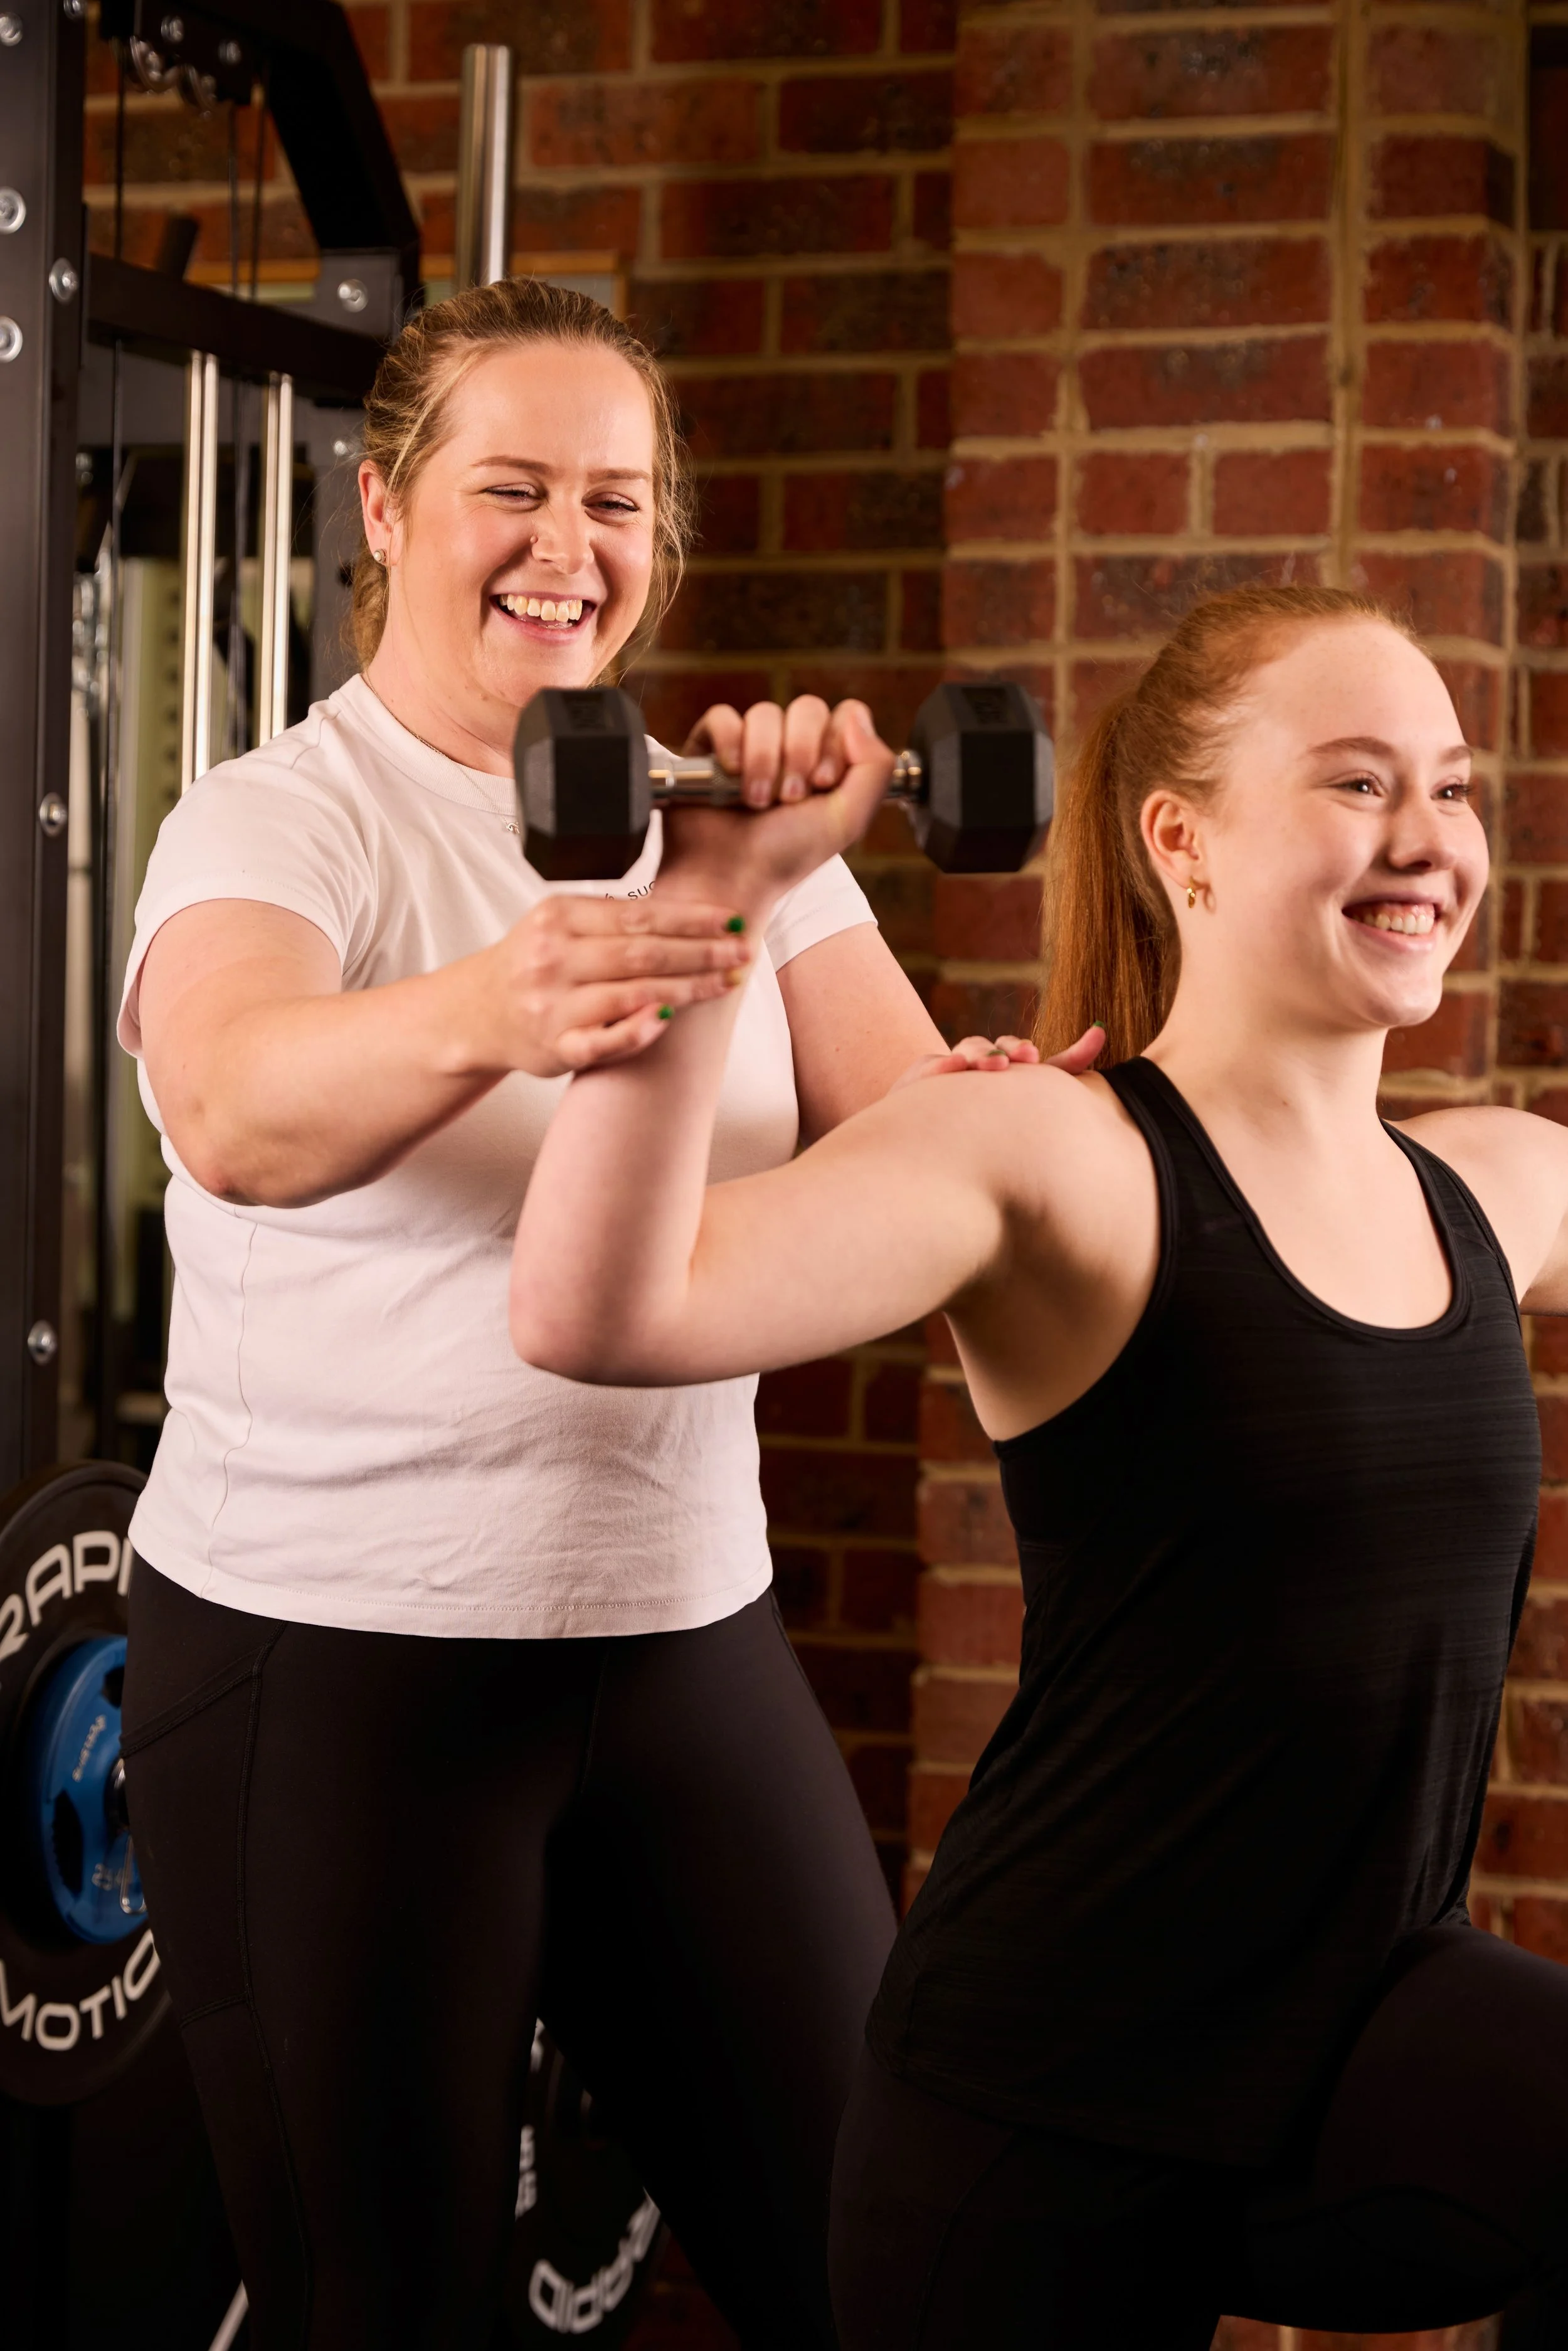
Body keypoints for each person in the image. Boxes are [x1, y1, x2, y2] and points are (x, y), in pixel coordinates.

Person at [117, 275, 1088, 2351]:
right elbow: (231, 1106)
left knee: (878, 2268)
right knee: (380, 2312)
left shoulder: (734, 823)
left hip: (676, 1641)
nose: (573, 550)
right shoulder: (287, 817)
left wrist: (1066, 1122)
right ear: (384, 508)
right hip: (332, 1659)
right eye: (516, 489)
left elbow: (917, 1150)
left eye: (620, 503)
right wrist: (518, 992)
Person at [511, 580, 1568, 2350]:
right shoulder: (1050, 1154)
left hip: (1342, 2053)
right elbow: (597, 1305)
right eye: (1358, 784)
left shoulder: (1496, 1182)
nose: (1427, 841)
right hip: (1042, 2112)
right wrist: (713, 902)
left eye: (1450, 789)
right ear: (1184, 841)